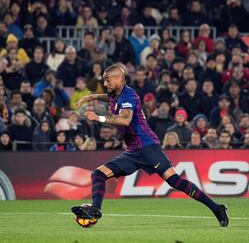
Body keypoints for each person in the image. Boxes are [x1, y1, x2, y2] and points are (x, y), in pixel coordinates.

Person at [71, 63, 228, 227]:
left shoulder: (128, 96)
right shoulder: (115, 94)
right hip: (133, 151)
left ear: (119, 79)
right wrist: (91, 97)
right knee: (98, 174)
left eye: (107, 80)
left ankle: (217, 208)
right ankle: (96, 210)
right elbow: (108, 97)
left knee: (174, 181)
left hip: (148, 147)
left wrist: (99, 118)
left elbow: (125, 120)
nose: (105, 84)